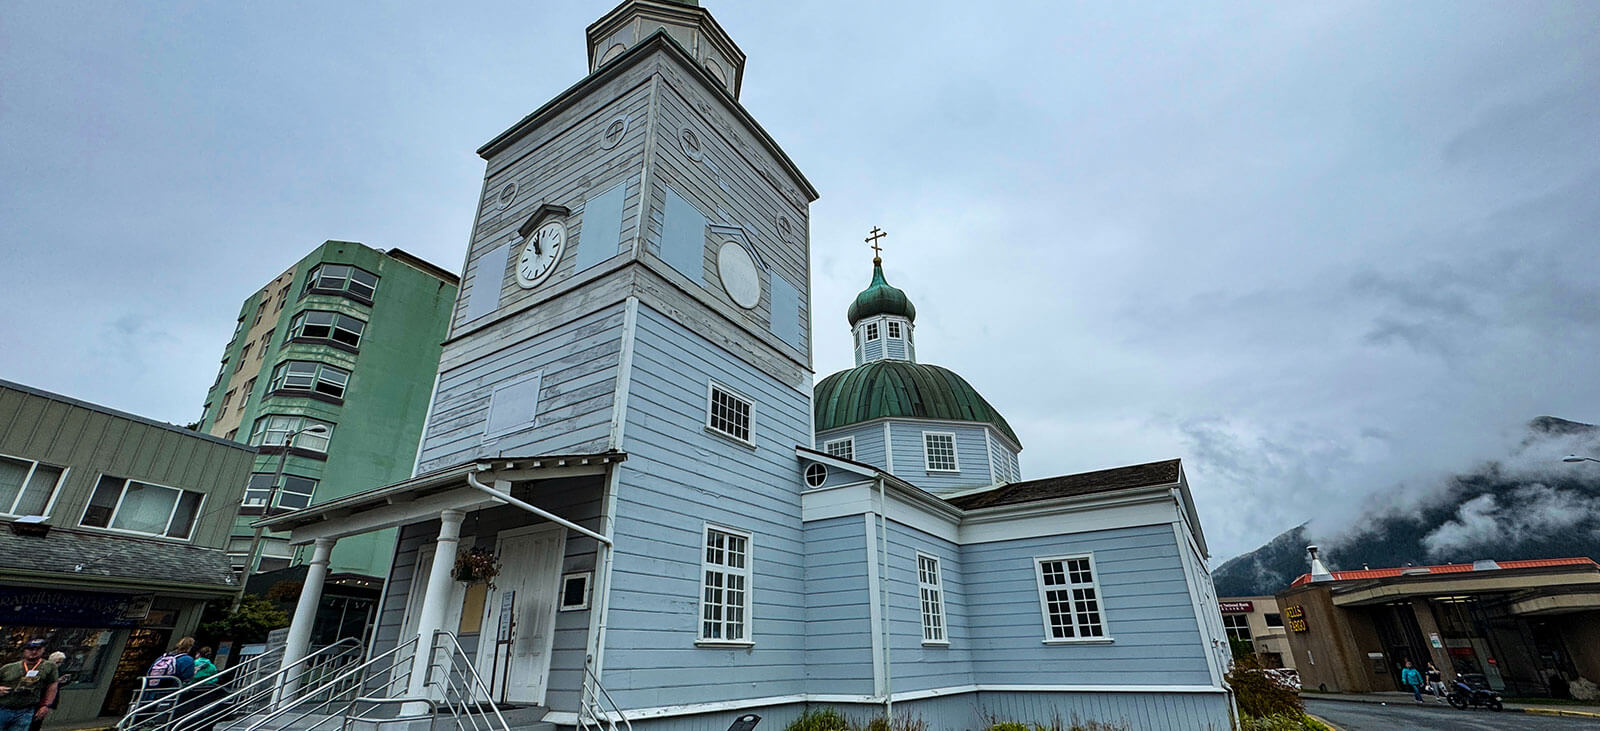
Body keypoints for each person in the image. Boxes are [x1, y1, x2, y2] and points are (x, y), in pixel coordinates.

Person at [0, 639, 58, 731]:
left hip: (26, 710)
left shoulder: (49, 667)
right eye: (30, 649)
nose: (34, 652)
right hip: (3, 708)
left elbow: (52, 687)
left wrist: (46, 705)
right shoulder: (8, 668)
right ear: (24, 650)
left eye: (38, 649)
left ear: (43, 650)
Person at [26, 652, 66, 731]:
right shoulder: (41, 669)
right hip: (37, 699)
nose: (59, 665)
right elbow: (30, 683)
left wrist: (59, 682)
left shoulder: (56, 671)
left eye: (61, 663)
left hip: (46, 700)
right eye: (57, 662)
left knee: (37, 722)